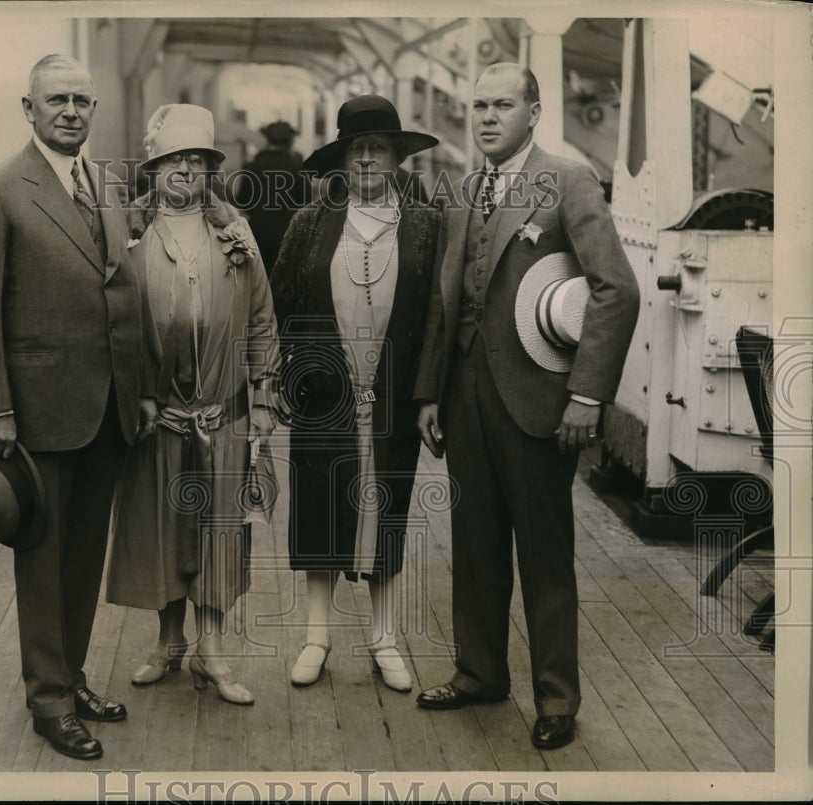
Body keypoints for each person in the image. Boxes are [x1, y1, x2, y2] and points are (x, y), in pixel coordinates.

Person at [413, 62, 640, 749]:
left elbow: (617, 291)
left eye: (502, 105)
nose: (485, 117)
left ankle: (556, 697)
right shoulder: (461, 187)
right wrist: (428, 389)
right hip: (465, 396)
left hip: (540, 398)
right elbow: (444, 297)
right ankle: (480, 671)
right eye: (478, 105)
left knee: (544, 552)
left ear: (534, 111)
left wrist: (587, 394)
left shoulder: (568, 179)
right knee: (476, 546)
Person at [0, 54, 151, 760]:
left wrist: (140, 390)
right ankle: (47, 701)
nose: (71, 110)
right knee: (41, 560)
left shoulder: (106, 185)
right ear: (28, 108)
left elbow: (122, 295)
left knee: (81, 557)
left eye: (81, 100)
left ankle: (70, 675)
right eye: (57, 99)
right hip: (35, 415)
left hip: (105, 411)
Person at [106, 104, 278, 706]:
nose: (185, 171)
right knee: (163, 532)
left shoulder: (236, 232)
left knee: (218, 534)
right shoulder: (128, 235)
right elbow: (112, 324)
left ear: (210, 170)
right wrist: (134, 399)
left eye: (197, 161)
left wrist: (262, 401)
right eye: (172, 160)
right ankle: (169, 641)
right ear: (152, 169)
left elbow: (261, 319)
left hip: (223, 414)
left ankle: (214, 649)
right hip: (158, 419)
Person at [270, 95, 442, 693]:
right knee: (319, 506)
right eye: (356, 150)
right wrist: (290, 373)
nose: (367, 160)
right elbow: (283, 303)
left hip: (393, 395)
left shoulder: (425, 224)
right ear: (342, 160)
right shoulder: (308, 223)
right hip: (323, 394)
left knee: (386, 509)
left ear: (397, 157)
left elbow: (438, 315)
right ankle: (316, 637)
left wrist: (428, 395)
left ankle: (384, 636)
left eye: (378, 149)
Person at [230, 120, 310, 272]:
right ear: (290, 141)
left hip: (258, 237)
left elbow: (243, 202)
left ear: (267, 140)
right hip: (289, 236)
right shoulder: (298, 167)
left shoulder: (252, 167)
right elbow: (306, 204)